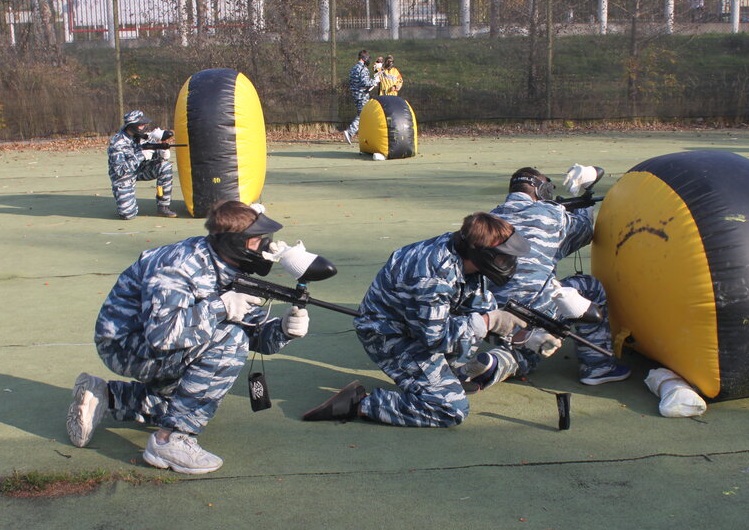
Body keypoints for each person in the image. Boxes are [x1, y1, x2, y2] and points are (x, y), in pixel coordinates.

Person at [66, 201, 311, 474]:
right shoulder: (178, 267)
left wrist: (283, 331)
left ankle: (107, 396)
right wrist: (222, 307)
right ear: (235, 242)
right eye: (257, 241)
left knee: (188, 399)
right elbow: (162, 335)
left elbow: (250, 330)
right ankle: (170, 440)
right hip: (125, 346)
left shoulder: (225, 262)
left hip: (155, 343)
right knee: (229, 342)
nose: (265, 247)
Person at [302, 212, 531, 427]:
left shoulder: (465, 257)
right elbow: (436, 339)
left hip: (420, 326)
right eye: (502, 257)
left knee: (480, 334)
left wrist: (525, 335)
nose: (508, 263)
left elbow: (479, 306)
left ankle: (445, 374)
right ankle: (358, 404)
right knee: (451, 408)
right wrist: (489, 322)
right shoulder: (432, 275)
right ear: (480, 252)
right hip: (390, 335)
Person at [487, 166, 631, 386]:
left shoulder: (490, 218)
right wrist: (581, 201)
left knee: (526, 347)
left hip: (492, 317)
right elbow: (584, 232)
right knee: (589, 286)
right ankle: (598, 367)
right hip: (535, 311)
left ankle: (500, 361)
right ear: (541, 190)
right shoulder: (551, 213)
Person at [107, 110, 177, 220]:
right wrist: (141, 155)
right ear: (132, 125)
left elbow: (152, 154)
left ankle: (163, 206)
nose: (144, 126)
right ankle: (127, 205)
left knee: (165, 166)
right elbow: (120, 170)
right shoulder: (117, 142)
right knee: (128, 214)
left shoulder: (142, 136)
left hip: (141, 170)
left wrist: (162, 153)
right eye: (141, 124)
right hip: (123, 177)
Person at [343, 49, 378, 145]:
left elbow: (352, 82)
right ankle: (350, 132)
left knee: (363, 115)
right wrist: (374, 82)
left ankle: (365, 136)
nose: (368, 60)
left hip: (355, 95)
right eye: (368, 58)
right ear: (364, 58)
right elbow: (365, 82)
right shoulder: (363, 69)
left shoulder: (354, 68)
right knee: (362, 115)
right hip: (362, 95)